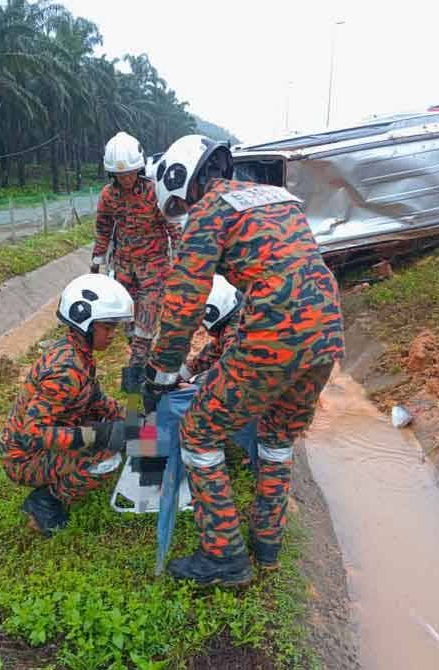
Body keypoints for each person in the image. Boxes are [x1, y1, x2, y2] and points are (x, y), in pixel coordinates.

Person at [142, 135, 344, 586]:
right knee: (277, 436)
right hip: (327, 329)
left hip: (275, 329)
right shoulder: (274, 198)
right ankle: (266, 545)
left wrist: (160, 374)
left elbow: (183, 300)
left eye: (177, 201)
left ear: (182, 179)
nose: (180, 208)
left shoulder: (211, 209)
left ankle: (223, 557)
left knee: (198, 433)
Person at [0, 274, 133, 536]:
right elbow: (34, 434)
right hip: (23, 458)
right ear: (86, 325)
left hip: (44, 439)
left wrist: (134, 420)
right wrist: (99, 435)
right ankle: (46, 501)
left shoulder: (78, 354)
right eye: (108, 327)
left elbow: (97, 400)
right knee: (108, 457)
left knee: (119, 430)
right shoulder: (65, 370)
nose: (112, 335)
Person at [91, 132, 180, 375]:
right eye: (121, 175)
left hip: (154, 267)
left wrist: (182, 259)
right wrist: (97, 259)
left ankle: (138, 369)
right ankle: (143, 356)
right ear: (113, 174)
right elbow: (104, 228)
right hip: (124, 269)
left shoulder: (154, 192)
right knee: (129, 322)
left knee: (147, 318)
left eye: (130, 173)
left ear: (138, 170)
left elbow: (173, 226)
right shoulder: (108, 196)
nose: (126, 179)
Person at [177, 274, 243, 383]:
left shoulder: (236, 332)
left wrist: (197, 383)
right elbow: (211, 354)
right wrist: (182, 374)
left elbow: (231, 368)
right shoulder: (236, 321)